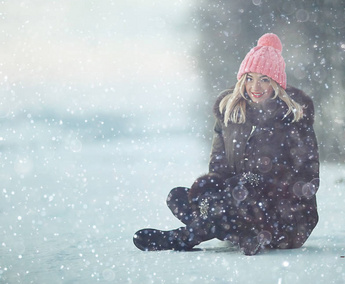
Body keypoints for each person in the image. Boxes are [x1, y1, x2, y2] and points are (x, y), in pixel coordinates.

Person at [133, 33, 319, 255]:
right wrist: (215, 193)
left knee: (238, 193)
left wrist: (258, 186)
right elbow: (219, 169)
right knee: (180, 197)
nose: (255, 86)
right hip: (236, 210)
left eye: (264, 79)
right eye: (249, 78)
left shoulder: (293, 120)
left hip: (286, 220)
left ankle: (184, 237)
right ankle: (242, 236)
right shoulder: (230, 116)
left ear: (276, 83)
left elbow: (308, 178)